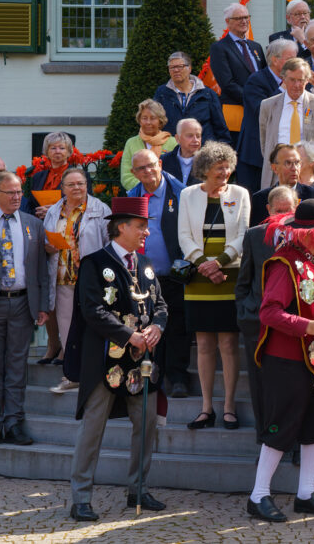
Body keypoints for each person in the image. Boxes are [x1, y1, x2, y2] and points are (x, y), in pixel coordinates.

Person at [245, 198, 314, 522]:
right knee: (280, 427)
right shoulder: (284, 264)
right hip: (287, 361)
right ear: (304, 233)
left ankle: (306, 493)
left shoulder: (311, 263)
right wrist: (310, 326)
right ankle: (258, 495)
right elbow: (269, 313)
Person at [66, 196, 166, 522]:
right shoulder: (95, 263)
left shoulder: (147, 264)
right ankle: (80, 498)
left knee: (147, 425)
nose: (146, 233)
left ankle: (138, 489)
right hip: (103, 362)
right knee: (92, 430)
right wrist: (130, 336)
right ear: (121, 226)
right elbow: (92, 310)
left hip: (141, 363)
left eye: (147, 227)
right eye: (141, 226)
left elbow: (161, 305)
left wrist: (156, 328)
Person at [178, 142, 250, 431]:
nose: (225, 171)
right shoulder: (187, 195)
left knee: (229, 344)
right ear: (204, 169)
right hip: (199, 278)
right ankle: (206, 408)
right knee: (205, 345)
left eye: (227, 166)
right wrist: (203, 266)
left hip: (229, 275)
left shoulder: (240, 194)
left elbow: (243, 233)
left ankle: (229, 407)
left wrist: (218, 263)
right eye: (218, 167)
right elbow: (184, 236)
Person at [234, 186, 298, 448]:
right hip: (258, 324)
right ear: (269, 210)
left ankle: (292, 440)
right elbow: (243, 281)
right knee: (261, 384)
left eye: (289, 210)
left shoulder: (308, 235)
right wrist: (246, 314)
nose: (283, 216)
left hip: (295, 324)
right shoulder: (254, 236)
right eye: (278, 210)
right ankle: (265, 438)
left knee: (292, 385)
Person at [126, 151, 188, 397]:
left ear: (159, 164)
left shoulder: (181, 192)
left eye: (151, 166)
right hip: (142, 277)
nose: (147, 172)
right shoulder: (133, 195)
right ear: (134, 173)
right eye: (141, 169)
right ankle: (152, 375)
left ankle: (178, 377)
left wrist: (183, 270)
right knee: (147, 326)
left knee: (177, 327)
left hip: (174, 274)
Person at [43, 168, 110, 394]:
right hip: (63, 278)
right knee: (67, 329)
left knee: (93, 326)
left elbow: (110, 243)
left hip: (91, 279)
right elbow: (44, 242)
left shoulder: (100, 209)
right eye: (71, 184)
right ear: (62, 188)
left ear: (87, 185)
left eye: (80, 183)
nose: (77, 188)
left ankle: (96, 375)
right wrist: (48, 247)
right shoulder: (54, 211)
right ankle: (71, 376)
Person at [0, 171, 49, 444]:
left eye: (19, 192)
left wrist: (43, 305)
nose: (17, 197)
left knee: (17, 367)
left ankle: (14, 423)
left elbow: (41, 269)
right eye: (11, 193)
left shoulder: (32, 224)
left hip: (21, 303)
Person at [258, 57, 314, 190]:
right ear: (283, 79)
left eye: (301, 80)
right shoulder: (268, 105)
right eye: (292, 80)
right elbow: (265, 144)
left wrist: (309, 164)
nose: (297, 85)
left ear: (307, 80)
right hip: (276, 175)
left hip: (308, 175)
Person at [235, 38, 299, 191]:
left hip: (287, 155)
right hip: (256, 157)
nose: (296, 63)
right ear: (275, 60)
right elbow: (261, 112)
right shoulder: (256, 81)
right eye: (291, 59)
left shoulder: (296, 82)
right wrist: (283, 89)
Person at [208, 3, 266, 125]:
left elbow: (264, 75)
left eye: (246, 17)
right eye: (239, 18)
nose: (244, 21)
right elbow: (227, 83)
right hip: (236, 109)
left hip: (260, 109)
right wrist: (252, 99)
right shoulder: (219, 48)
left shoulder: (256, 46)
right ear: (227, 21)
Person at [153, 51, 230, 143]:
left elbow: (221, 129)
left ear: (189, 68)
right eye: (172, 67)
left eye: (180, 66)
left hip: (203, 151)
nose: (176, 70)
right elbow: (155, 124)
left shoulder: (208, 94)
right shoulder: (161, 93)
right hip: (172, 151)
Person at [249, 144, 314, 227]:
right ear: (274, 168)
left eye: (297, 163)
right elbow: (255, 236)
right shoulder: (260, 199)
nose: (294, 168)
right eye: (288, 163)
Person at [120, 99, 178, 190]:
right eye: (144, 118)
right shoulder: (131, 143)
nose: (148, 122)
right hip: (139, 196)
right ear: (140, 120)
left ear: (160, 120)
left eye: (153, 118)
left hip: (167, 194)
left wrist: (160, 189)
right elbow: (126, 176)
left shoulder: (173, 143)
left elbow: (177, 173)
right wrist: (147, 188)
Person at [21, 131, 74, 228]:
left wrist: (54, 212)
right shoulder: (37, 177)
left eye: (62, 148)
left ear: (68, 152)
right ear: (47, 152)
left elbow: (84, 204)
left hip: (67, 226)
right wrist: (38, 212)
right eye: (53, 148)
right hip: (40, 225)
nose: (57, 151)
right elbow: (31, 205)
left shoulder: (78, 176)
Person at [161, 117, 202, 186]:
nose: (195, 140)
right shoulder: (163, 161)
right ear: (177, 139)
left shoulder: (208, 163)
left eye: (198, 136)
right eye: (190, 136)